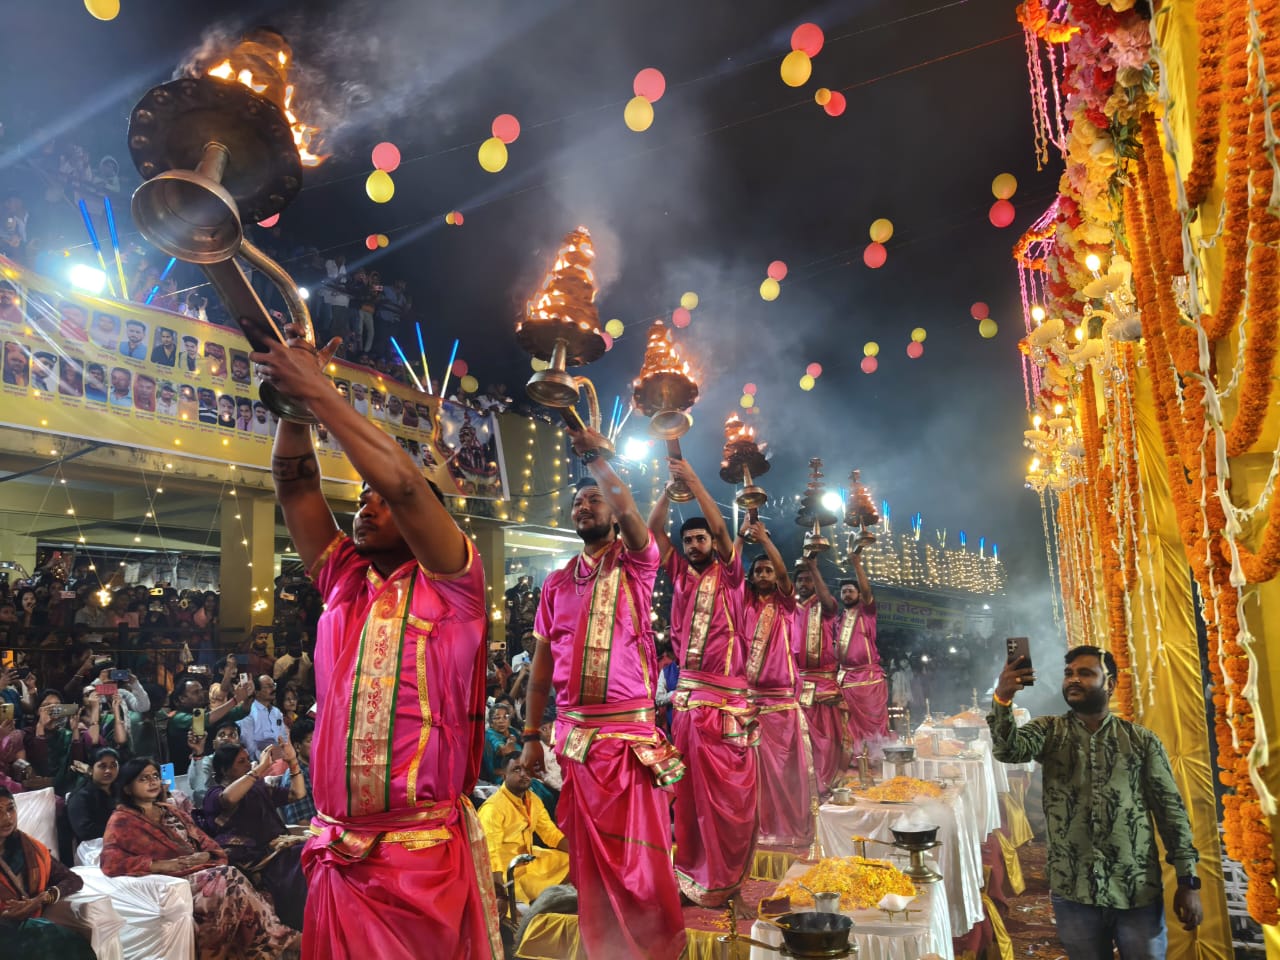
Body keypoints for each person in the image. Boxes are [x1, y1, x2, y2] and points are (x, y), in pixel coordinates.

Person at [255, 320, 500, 959]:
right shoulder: (344, 577)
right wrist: (290, 407)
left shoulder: (454, 582)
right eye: (360, 500)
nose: (366, 506)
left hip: (416, 860)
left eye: (377, 502)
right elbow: (296, 485)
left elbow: (406, 482)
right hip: (338, 849)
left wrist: (320, 393)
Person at [520, 428, 687, 960]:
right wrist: (528, 733)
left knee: (643, 858)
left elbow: (630, 507)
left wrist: (597, 460)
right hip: (576, 744)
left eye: (593, 499)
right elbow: (541, 667)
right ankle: (606, 948)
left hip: (628, 740)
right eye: (576, 503)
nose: (583, 506)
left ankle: (655, 948)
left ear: (614, 515)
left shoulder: (637, 563)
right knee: (591, 864)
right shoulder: (555, 582)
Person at [989, 645, 1203, 957]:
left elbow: (1172, 814)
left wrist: (1188, 881)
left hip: (1135, 889)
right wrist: (1003, 700)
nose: (1073, 680)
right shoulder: (1049, 732)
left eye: (1085, 673)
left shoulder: (1141, 741)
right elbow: (1009, 751)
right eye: (1069, 674)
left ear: (1111, 684)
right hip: (1073, 890)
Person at [647, 457, 757, 907]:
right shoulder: (678, 573)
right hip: (688, 704)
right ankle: (695, 876)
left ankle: (728, 877)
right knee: (689, 799)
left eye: (700, 538)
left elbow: (720, 525)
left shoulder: (730, 573)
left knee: (728, 798)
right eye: (688, 539)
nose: (694, 544)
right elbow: (652, 531)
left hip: (727, 704)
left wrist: (693, 480)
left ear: (713, 542)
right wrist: (667, 491)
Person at [101, 757, 300, 959]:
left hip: (201, 870)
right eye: (144, 779)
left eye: (155, 776)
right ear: (127, 788)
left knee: (228, 882)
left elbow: (204, 840)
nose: (153, 782)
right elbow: (110, 862)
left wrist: (206, 854)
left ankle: (259, 945)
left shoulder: (170, 810)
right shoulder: (122, 820)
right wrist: (161, 865)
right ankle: (278, 936)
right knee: (227, 876)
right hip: (170, 881)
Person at [741, 526, 814, 846]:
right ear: (751, 576)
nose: (764, 573)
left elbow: (784, 573)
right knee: (755, 774)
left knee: (786, 774)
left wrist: (765, 540)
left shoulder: (785, 603)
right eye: (758, 570)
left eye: (768, 569)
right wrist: (743, 536)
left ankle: (788, 829)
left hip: (782, 705)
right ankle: (760, 828)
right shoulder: (743, 602)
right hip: (750, 703)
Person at [202, 741, 309, 930]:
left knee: (315, 851)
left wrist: (292, 761)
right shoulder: (214, 794)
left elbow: (297, 793)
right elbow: (229, 799)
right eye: (241, 761)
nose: (247, 764)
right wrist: (260, 768)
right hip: (251, 857)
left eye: (247, 760)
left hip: (276, 849)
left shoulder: (258, 788)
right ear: (225, 770)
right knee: (303, 858)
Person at [0, 786, 95, 959]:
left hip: (29, 926)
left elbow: (73, 879)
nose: (7, 818)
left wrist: (41, 898)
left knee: (66, 942)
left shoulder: (30, 848)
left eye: (10, 809)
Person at [478, 755, 569, 905]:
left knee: (575, 865)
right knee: (519, 907)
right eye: (516, 769)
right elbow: (490, 854)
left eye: (526, 769)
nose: (523, 774)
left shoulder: (533, 799)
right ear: (503, 774)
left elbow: (550, 833)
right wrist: (498, 892)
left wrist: (581, 857)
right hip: (506, 872)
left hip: (530, 860)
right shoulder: (493, 809)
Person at [793, 555, 846, 796]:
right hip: (797, 683)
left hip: (823, 683)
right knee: (803, 741)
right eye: (800, 580)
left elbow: (831, 604)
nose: (804, 584)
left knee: (826, 740)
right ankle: (806, 787)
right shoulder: (790, 608)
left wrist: (814, 568)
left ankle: (827, 785)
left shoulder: (824, 606)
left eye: (808, 580)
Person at [836, 547, 888, 746]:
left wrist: (857, 564)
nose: (847, 594)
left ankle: (877, 761)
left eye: (851, 591)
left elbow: (867, 593)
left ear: (859, 594)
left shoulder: (866, 611)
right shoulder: (840, 618)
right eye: (844, 592)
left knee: (873, 727)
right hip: (846, 679)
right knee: (848, 727)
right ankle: (856, 762)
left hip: (868, 679)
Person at [66, 746, 119, 843]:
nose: (108, 771)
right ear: (91, 770)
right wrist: (120, 829)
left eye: (113, 766)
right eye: (102, 766)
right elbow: (84, 831)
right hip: (92, 847)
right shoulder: (80, 797)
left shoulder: (121, 791)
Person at [237, 675, 286, 761]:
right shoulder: (249, 711)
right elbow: (249, 743)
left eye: (273, 685)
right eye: (269, 686)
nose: (273, 689)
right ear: (257, 692)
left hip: (280, 758)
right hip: (260, 760)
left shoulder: (277, 712)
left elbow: (283, 736)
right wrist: (264, 760)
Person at [279, 717, 316, 827]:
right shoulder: (295, 778)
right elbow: (302, 823)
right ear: (298, 747)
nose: (318, 744)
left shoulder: (324, 769)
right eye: (311, 740)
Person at [482, 703, 519, 784]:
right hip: (502, 778)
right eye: (497, 717)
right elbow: (506, 751)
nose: (501, 721)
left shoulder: (512, 731)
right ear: (491, 723)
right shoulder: (490, 734)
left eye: (505, 717)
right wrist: (511, 741)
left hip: (520, 772)